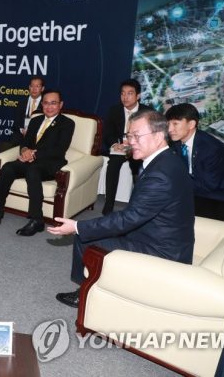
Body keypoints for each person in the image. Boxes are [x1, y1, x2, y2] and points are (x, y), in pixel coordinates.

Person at [50, 110, 195, 308]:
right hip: (160, 236)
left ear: (159, 136)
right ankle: (91, 286)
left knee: (84, 237)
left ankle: (84, 291)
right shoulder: (168, 159)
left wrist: (77, 226)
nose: (130, 142)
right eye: (129, 136)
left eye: (137, 136)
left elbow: (129, 218)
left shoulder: (161, 174)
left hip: (161, 250)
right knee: (94, 231)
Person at [0, 89, 75, 236]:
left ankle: (37, 220)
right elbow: (25, 142)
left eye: (53, 103)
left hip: (50, 164)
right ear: (42, 104)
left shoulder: (67, 123)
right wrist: (24, 151)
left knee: (32, 171)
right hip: (30, 161)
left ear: (61, 105)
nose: (49, 107)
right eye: (46, 103)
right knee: (8, 167)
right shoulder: (35, 120)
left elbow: (59, 149)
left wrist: (33, 155)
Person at [166, 103, 224, 224]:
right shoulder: (177, 142)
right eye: (168, 124)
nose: (169, 129)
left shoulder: (210, 149)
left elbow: (206, 186)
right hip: (204, 190)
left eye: (175, 123)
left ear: (191, 124)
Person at [101, 79, 152, 215]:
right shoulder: (114, 110)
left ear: (138, 96)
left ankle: (138, 204)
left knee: (138, 169)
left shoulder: (147, 112)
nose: (125, 97)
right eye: (123, 93)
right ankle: (109, 204)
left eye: (130, 93)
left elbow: (150, 135)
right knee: (112, 165)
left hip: (137, 148)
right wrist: (114, 144)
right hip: (120, 147)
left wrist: (135, 145)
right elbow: (108, 133)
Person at [10, 76, 45, 145]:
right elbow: (16, 124)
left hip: (38, 138)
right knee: (14, 137)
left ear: (42, 88)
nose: (34, 89)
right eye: (32, 86)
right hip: (21, 137)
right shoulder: (22, 103)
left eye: (37, 86)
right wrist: (22, 130)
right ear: (29, 87)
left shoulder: (45, 104)